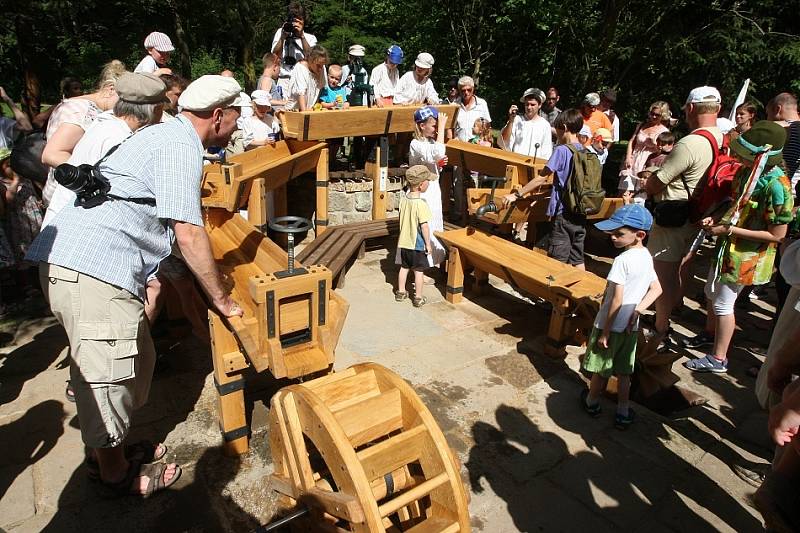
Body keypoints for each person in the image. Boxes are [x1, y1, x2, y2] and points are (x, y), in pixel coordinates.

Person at [25, 75, 244, 497]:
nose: (236, 128)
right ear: (218, 116)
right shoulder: (181, 146)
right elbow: (188, 232)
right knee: (108, 377)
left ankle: (114, 451)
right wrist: (220, 298)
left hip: (89, 265)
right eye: (235, 119)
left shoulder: (163, 133)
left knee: (133, 360)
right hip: (92, 270)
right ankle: (113, 474)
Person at [683, 121, 793, 374]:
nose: (739, 159)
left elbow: (777, 235)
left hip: (746, 256)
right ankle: (711, 334)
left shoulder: (778, 186)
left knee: (723, 304)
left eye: (745, 155)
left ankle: (719, 359)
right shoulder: (747, 173)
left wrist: (729, 230)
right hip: (727, 247)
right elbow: (734, 204)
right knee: (711, 292)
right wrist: (717, 217)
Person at [643, 86, 723, 350]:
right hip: (697, 212)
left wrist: (649, 177)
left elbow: (658, 182)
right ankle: (670, 310)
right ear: (718, 109)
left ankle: (661, 327)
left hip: (673, 214)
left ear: (690, 108)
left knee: (663, 271)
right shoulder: (722, 137)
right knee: (677, 267)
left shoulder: (690, 142)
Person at [43, 73, 167, 227]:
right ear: (156, 109)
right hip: (74, 224)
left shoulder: (105, 121)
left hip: (62, 219)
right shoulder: (120, 140)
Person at [581, 204, 662, 429]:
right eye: (612, 233)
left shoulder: (621, 261)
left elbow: (616, 300)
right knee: (624, 373)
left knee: (601, 371)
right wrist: (637, 310)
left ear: (640, 235)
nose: (613, 238)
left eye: (619, 234)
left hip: (611, 326)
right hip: (630, 327)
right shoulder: (647, 256)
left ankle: (591, 401)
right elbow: (657, 289)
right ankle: (623, 411)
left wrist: (605, 332)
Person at [501, 109, 589, 269]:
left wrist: (517, 194)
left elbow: (542, 177)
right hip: (580, 212)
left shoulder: (562, 151)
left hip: (563, 213)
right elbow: (567, 183)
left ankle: (555, 293)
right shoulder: (584, 151)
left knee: (557, 260)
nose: (557, 134)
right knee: (577, 258)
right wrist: (541, 197)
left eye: (558, 130)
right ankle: (581, 292)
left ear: (564, 127)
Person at [41, 60, 126, 206]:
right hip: (67, 196)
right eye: (124, 97)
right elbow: (52, 155)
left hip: (70, 192)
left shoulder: (81, 105)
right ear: (111, 89)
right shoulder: (83, 110)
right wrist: (96, 178)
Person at [409, 106, 449, 269]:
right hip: (421, 193)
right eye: (433, 125)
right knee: (421, 229)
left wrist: (438, 166)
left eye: (436, 126)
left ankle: (432, 262)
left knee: (433, 226)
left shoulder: (430, 142)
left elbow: (434, 156)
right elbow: (436, 153)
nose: (436, 129)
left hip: (432, 190)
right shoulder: (415, 143)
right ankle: (419, 268)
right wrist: (442, 128)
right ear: (421, 125)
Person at [395, 165, 435, 308]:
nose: (429, 183)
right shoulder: (421, 204)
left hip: (403, 243)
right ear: (421, 185)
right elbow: (424, 226)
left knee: (404, 267)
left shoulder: (403, 200)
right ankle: (418, 297)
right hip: (417, 244)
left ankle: (400, 292)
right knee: (419, 271)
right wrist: (428, 244)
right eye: (428, 181)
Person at [618, 101, 671, 204]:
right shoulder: (642, 125)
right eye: (652, 113)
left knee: (640, 194)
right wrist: (628, 157)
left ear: (663, 116)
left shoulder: (664, 131)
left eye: (657, 115)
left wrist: (654, 143)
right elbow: (632, 141)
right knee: (624, 191)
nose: (654, 117)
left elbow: (664, 150)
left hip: (647, 163)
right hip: (634, 160)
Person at [271, 2, 317, 92]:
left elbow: (311, 57)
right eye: (293, 20)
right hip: (284, 80)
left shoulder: (310, 38)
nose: (295, 23)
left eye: (299, 19)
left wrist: (301, 36)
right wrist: (283, 37)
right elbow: (275, 55)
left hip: (302, 80)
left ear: (304, 21)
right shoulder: (281, 32)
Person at [498, 87, 553, 161]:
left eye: (532, 105)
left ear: (539, 105)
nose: (529, 107)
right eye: (527, 104)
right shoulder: (516, 120)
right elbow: (503, 143)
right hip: (515, 162)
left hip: (534, 166)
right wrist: (511, 120)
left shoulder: (545, 125)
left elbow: (547, 152)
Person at [285, 45, 328, 111]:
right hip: (295, 110)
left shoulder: (322, 67)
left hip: (311, 109)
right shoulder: (301, 68)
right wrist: (305, 112)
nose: (320, 69)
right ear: (310, 60)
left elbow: (320, 88)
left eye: (322, 65)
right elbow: (301, 94)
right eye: (318, 65)